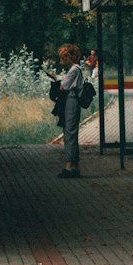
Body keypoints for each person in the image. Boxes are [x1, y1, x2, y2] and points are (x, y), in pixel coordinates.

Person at [49, 43, 84, 178]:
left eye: (63, 57)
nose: (61, 61)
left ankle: (70, 166)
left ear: (69, 56)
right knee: (71, 133)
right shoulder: (76, 69)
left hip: (71, 100)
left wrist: (57, 81)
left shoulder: (74, 69)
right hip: (71, 100)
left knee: (69, 133)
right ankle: (74, 165)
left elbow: (64, 87)